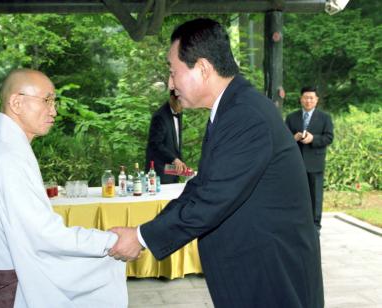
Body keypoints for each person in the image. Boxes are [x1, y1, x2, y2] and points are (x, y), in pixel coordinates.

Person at [108, 18, 324, 307]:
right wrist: (145, 230)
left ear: (203, 68)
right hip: (254, 270)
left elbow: (212, 198)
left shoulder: (245, 115)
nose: (171, 84)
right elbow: (201, 186)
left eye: (173, 73)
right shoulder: (230, 110)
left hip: (271, 276)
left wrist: (141, 238)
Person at [0, 69, 127, 308]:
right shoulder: (8, 156)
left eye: (54, 101)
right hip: (6, 286)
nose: (54, 110)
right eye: (47, 100)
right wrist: (111, 242)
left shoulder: (6, 147)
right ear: (16, 103)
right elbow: (44, 235)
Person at [285, 86, 334, 232]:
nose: (308, 101)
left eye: (311, 98)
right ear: (301, 99)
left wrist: (313, 139)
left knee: (315, 196)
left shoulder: (325, 118)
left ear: (317, 100)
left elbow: (329, 137)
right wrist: (293, 138)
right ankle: (297, 224)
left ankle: (315, 226)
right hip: (296, 163)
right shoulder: (291, 117)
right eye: (305, 97)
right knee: (296, 194)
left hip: (315, 163)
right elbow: (283, 137)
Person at [145, 90, 187, 183]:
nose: (183, 106)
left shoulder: (178, 112)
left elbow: (176, 142)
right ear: (172, 99)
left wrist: (180, 161)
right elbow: (155, 144)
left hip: (173, 171)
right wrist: (174, 159)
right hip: (159, 172)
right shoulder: (159, 116)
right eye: (180, 102)